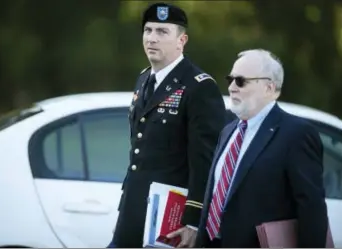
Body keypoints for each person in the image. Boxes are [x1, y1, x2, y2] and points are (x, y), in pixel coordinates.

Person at [108, 2, 227, 248]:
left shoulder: (199, 86)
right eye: (148, 30)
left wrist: (194, 222)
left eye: (162, 32)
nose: (152, 38)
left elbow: (204, 162)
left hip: (171, 216)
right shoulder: (144, 79)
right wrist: (126, 211)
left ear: (181, 40)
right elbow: (138, 153)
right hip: (134, 211)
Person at [195, 49, 329, 248]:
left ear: (269, 87)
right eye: (230, 79)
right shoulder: (229, 131)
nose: (232, 87)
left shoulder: (296, 133)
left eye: (241, 81)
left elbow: (311, 210)